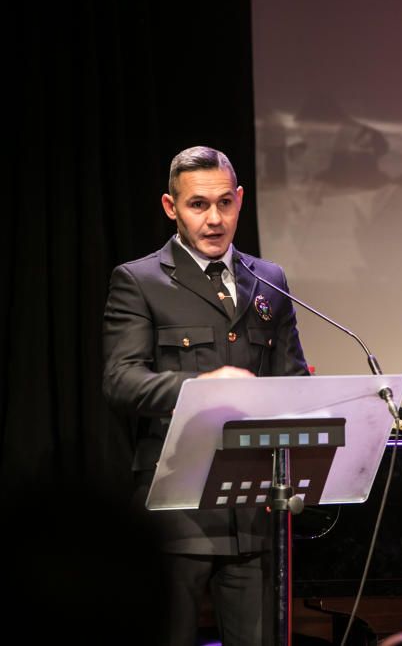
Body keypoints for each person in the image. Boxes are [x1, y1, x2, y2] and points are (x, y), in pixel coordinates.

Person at [103, 146, 310, 645]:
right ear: (171, 207)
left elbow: (293, 378)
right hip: (177, 511)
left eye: (225, 203)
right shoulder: (141, 280)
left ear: (240, 200)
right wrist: (201, 389)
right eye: (198, 205)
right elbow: (121, 380)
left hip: (255, 511)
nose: (214, 219)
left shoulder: (270, 280)